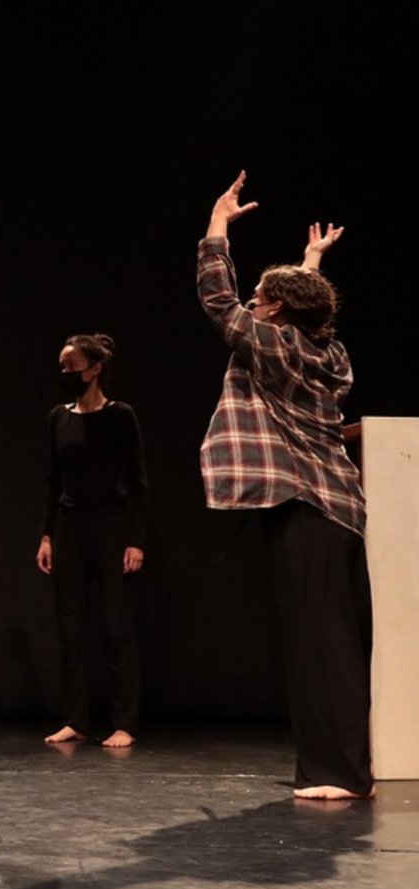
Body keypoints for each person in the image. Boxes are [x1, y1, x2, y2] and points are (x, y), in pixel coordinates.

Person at [197, 171, 373, 801]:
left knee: (318, 644)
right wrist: (310, 262)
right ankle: (343, 766)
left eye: (262, 297)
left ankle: (340, 773)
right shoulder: (332, 352)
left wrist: (217, 225)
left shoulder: (270, 343)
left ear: (274, 310)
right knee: (333, 638)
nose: (253, 301)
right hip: (340, 506)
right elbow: (303, 312)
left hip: (304, 502)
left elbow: (218, 298)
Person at [36, 333, 149, 748]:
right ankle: (75, 719)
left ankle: (125, 723)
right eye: (62, 366)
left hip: (110, 525)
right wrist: (47, 534)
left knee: (116, 625)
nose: (65, 372)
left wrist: (135, 540)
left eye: (72, 365)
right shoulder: (58, 418)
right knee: (70, 628)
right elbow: (53, 481)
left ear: (95, 369)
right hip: (70, 526)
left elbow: (138, 482)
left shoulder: (120, 415)